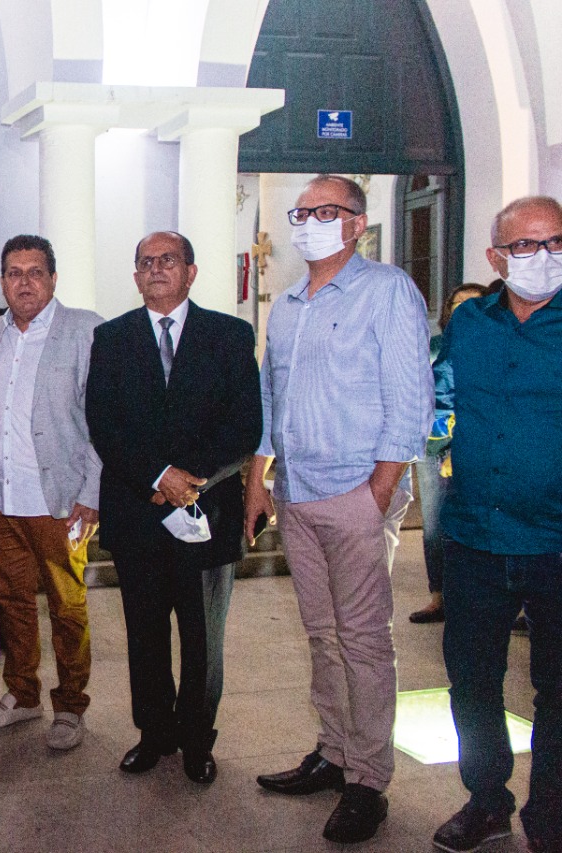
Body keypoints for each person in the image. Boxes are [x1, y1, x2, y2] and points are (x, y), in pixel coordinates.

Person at [243, 174, 432, 843]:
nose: (311, 221)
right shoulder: (290, 302)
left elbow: (411, 400)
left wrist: (377, 493)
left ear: (355, 222)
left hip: (356, 492)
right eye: (303, 211)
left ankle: (369, 778)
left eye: (327, 210)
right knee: (322, 635)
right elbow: (272, 395)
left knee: (363, 640)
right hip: (297, 494)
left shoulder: (387, 291)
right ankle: (334, 749)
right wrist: (259, 476)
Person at [86, 231, 262, 784]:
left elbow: (245, 425)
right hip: (139, 512)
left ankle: (196, 741)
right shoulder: (111, 338)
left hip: (206, 512)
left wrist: (193, 478)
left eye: (168, 260)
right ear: (135, 275)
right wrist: (158, 476)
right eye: (145, 262)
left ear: (191, 271)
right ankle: (154, 734)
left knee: (203, 638)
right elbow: (102, 422)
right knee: (144, 633)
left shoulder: (230, 335)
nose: (156, 269)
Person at [428, 196, 562, 853]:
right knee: (472, 679)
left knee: (557, 688)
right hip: (476, 533)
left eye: (555, 243)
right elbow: (441, 400)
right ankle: (487, 799)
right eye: (525, 246)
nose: (542, 257)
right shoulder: (469, 323)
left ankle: (552, 816)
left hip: (556, 538)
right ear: (496, 258)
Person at [0, 234, 102, 751]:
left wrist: (92, 491)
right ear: (1, 282)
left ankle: (70, 706)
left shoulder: (86, 331)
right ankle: (22, 696)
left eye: (35, 271)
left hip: (61, 498)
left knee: (68, 606)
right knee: (13, 602)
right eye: (14, 273)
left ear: (53, 278)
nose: (24, 282)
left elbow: (103, 420)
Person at [409, 283, 490, 625]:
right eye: (457, 303)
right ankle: (439, 597)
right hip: (434, 443)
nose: (463, 309)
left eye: (473, 303)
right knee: (435, 523)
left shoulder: (495, 347)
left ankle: (492, 599)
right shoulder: (433, 348)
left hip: (478, 445)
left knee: (481, 520)